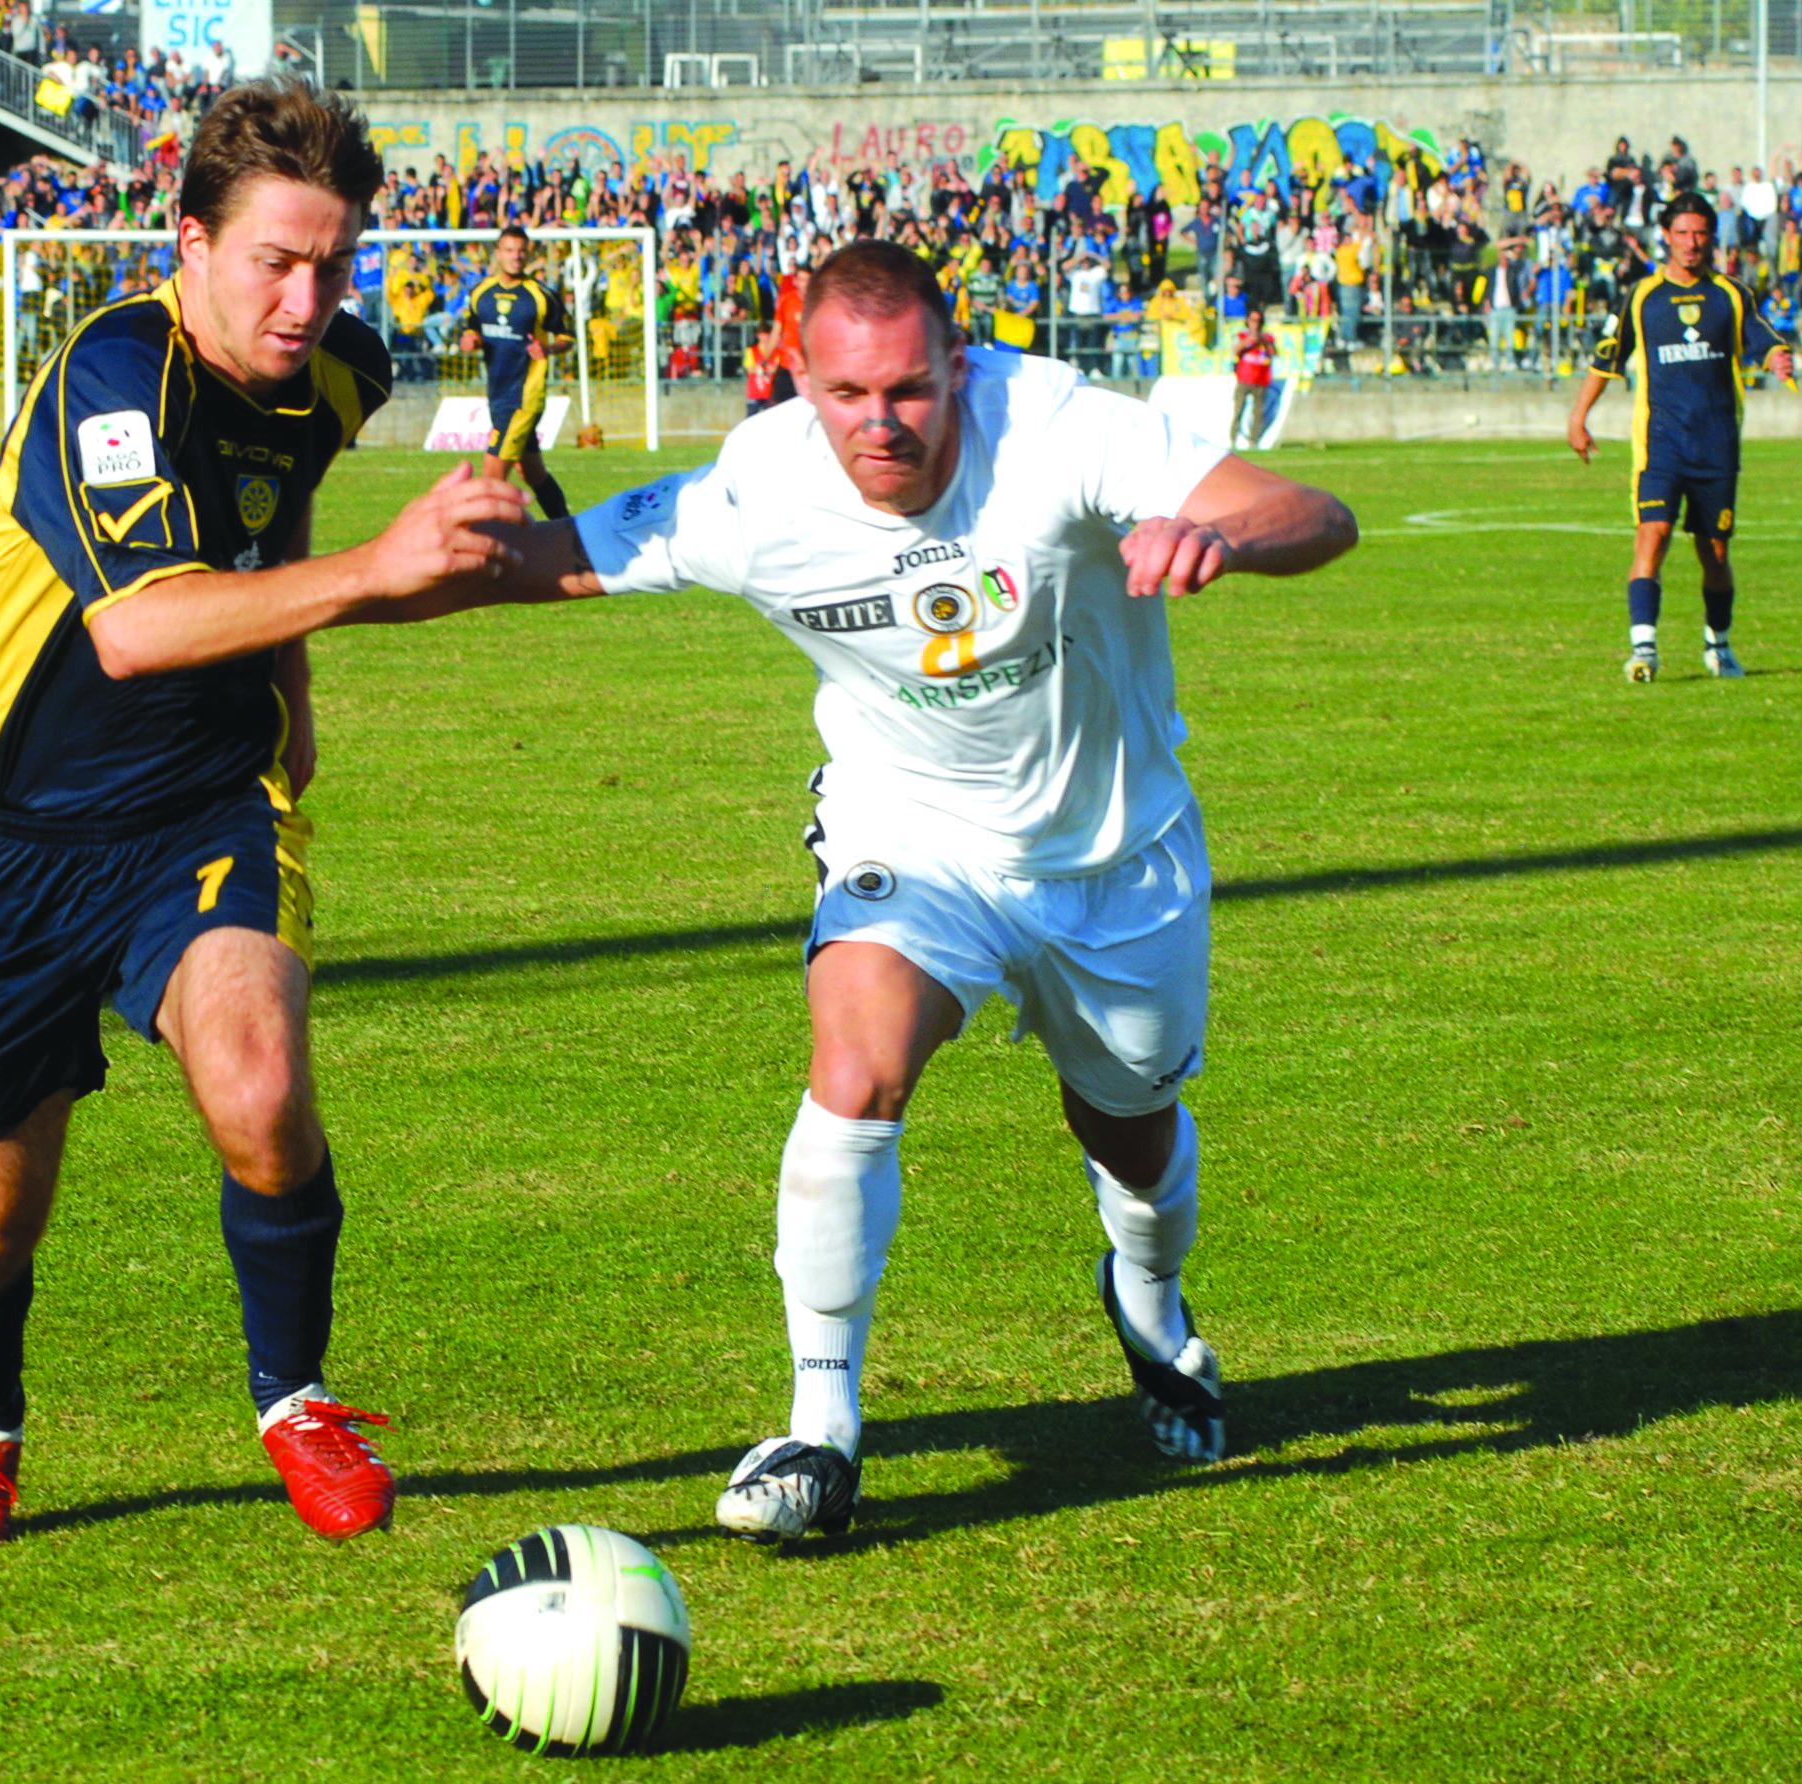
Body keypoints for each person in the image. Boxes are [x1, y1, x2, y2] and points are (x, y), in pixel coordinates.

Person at [448, 239, 1356, 1538]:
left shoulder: (1058, 427)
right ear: (797, 377)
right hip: (913, 831)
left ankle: (1151, 1310)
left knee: (1133, 1137)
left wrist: (1215, 529)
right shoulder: (759, 488)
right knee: (856, 1064)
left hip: (1116, 858)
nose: (882, 424)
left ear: (957, 361)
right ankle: (821, 1428)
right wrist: (313, 598)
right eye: (848, 395)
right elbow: (554, 562)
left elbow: (1318, 513)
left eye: (913, 390)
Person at [0, 76, 526, 1553]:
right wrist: (375, 573)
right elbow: (138, 628)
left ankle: (294, 1399)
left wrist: (294, 683)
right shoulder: (115, 376)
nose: (311, 300)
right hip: (10, 841)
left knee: (256, 1084)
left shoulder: (336, 363)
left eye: (335, 264)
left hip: (203, 808)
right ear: (190, 243)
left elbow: (290, 475)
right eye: (276, 263)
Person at [1567, 192, 1792, 683]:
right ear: (1665, 236)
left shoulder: (1730, 295)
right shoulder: (1642, 297)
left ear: (1711, 237)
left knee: (1714, 552)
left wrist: (1776, 357)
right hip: (1661, 444)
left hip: (1716, 445)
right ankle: (1644, 651)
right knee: (1654, 534)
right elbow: (1606, 359)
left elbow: (1762, 337)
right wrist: (1578, 418)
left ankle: (1720, 646)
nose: (1692, 243)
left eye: (1700, 233)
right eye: (1683, 233)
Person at [458, 224, 573, 520]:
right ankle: (568, 531)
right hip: (497, 393)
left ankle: (494, 547)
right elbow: (470, 328)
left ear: (528, 253)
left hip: (524, 396)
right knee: (532, 472)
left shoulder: (540, 295)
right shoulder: (481, 293)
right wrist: (470, 339)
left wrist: (547, 350)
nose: (516, 257)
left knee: (492, 476)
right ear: (498, 254)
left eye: (521, 251)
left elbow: (567, 337)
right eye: (509, 250)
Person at [1230, 305, 1275, 446]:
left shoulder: (1267, 338)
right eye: (1253, 320)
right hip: (1244, 378)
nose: (1255, 324)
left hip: (1261, 379)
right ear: (1247, 321)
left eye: (1258, 321)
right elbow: (1235, 350)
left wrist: (1262, 340)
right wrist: (1247, 341)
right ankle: (1233, 439)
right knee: (1238, 410)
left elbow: (1273, 353)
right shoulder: (1241, 336)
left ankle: (1253, 441)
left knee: (1258, 413)